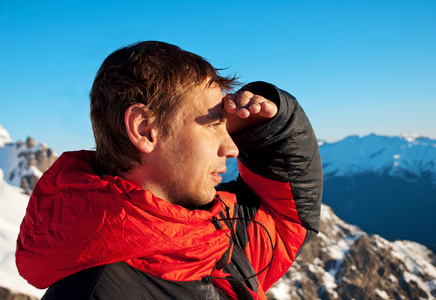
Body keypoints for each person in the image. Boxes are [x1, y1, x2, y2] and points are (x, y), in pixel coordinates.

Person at [16, 41, 323, 300]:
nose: (232, 148)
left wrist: (272, 129)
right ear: (145, 129)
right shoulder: (95, 292)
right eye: (214, 124)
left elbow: (287, 219)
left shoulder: (206, 233)